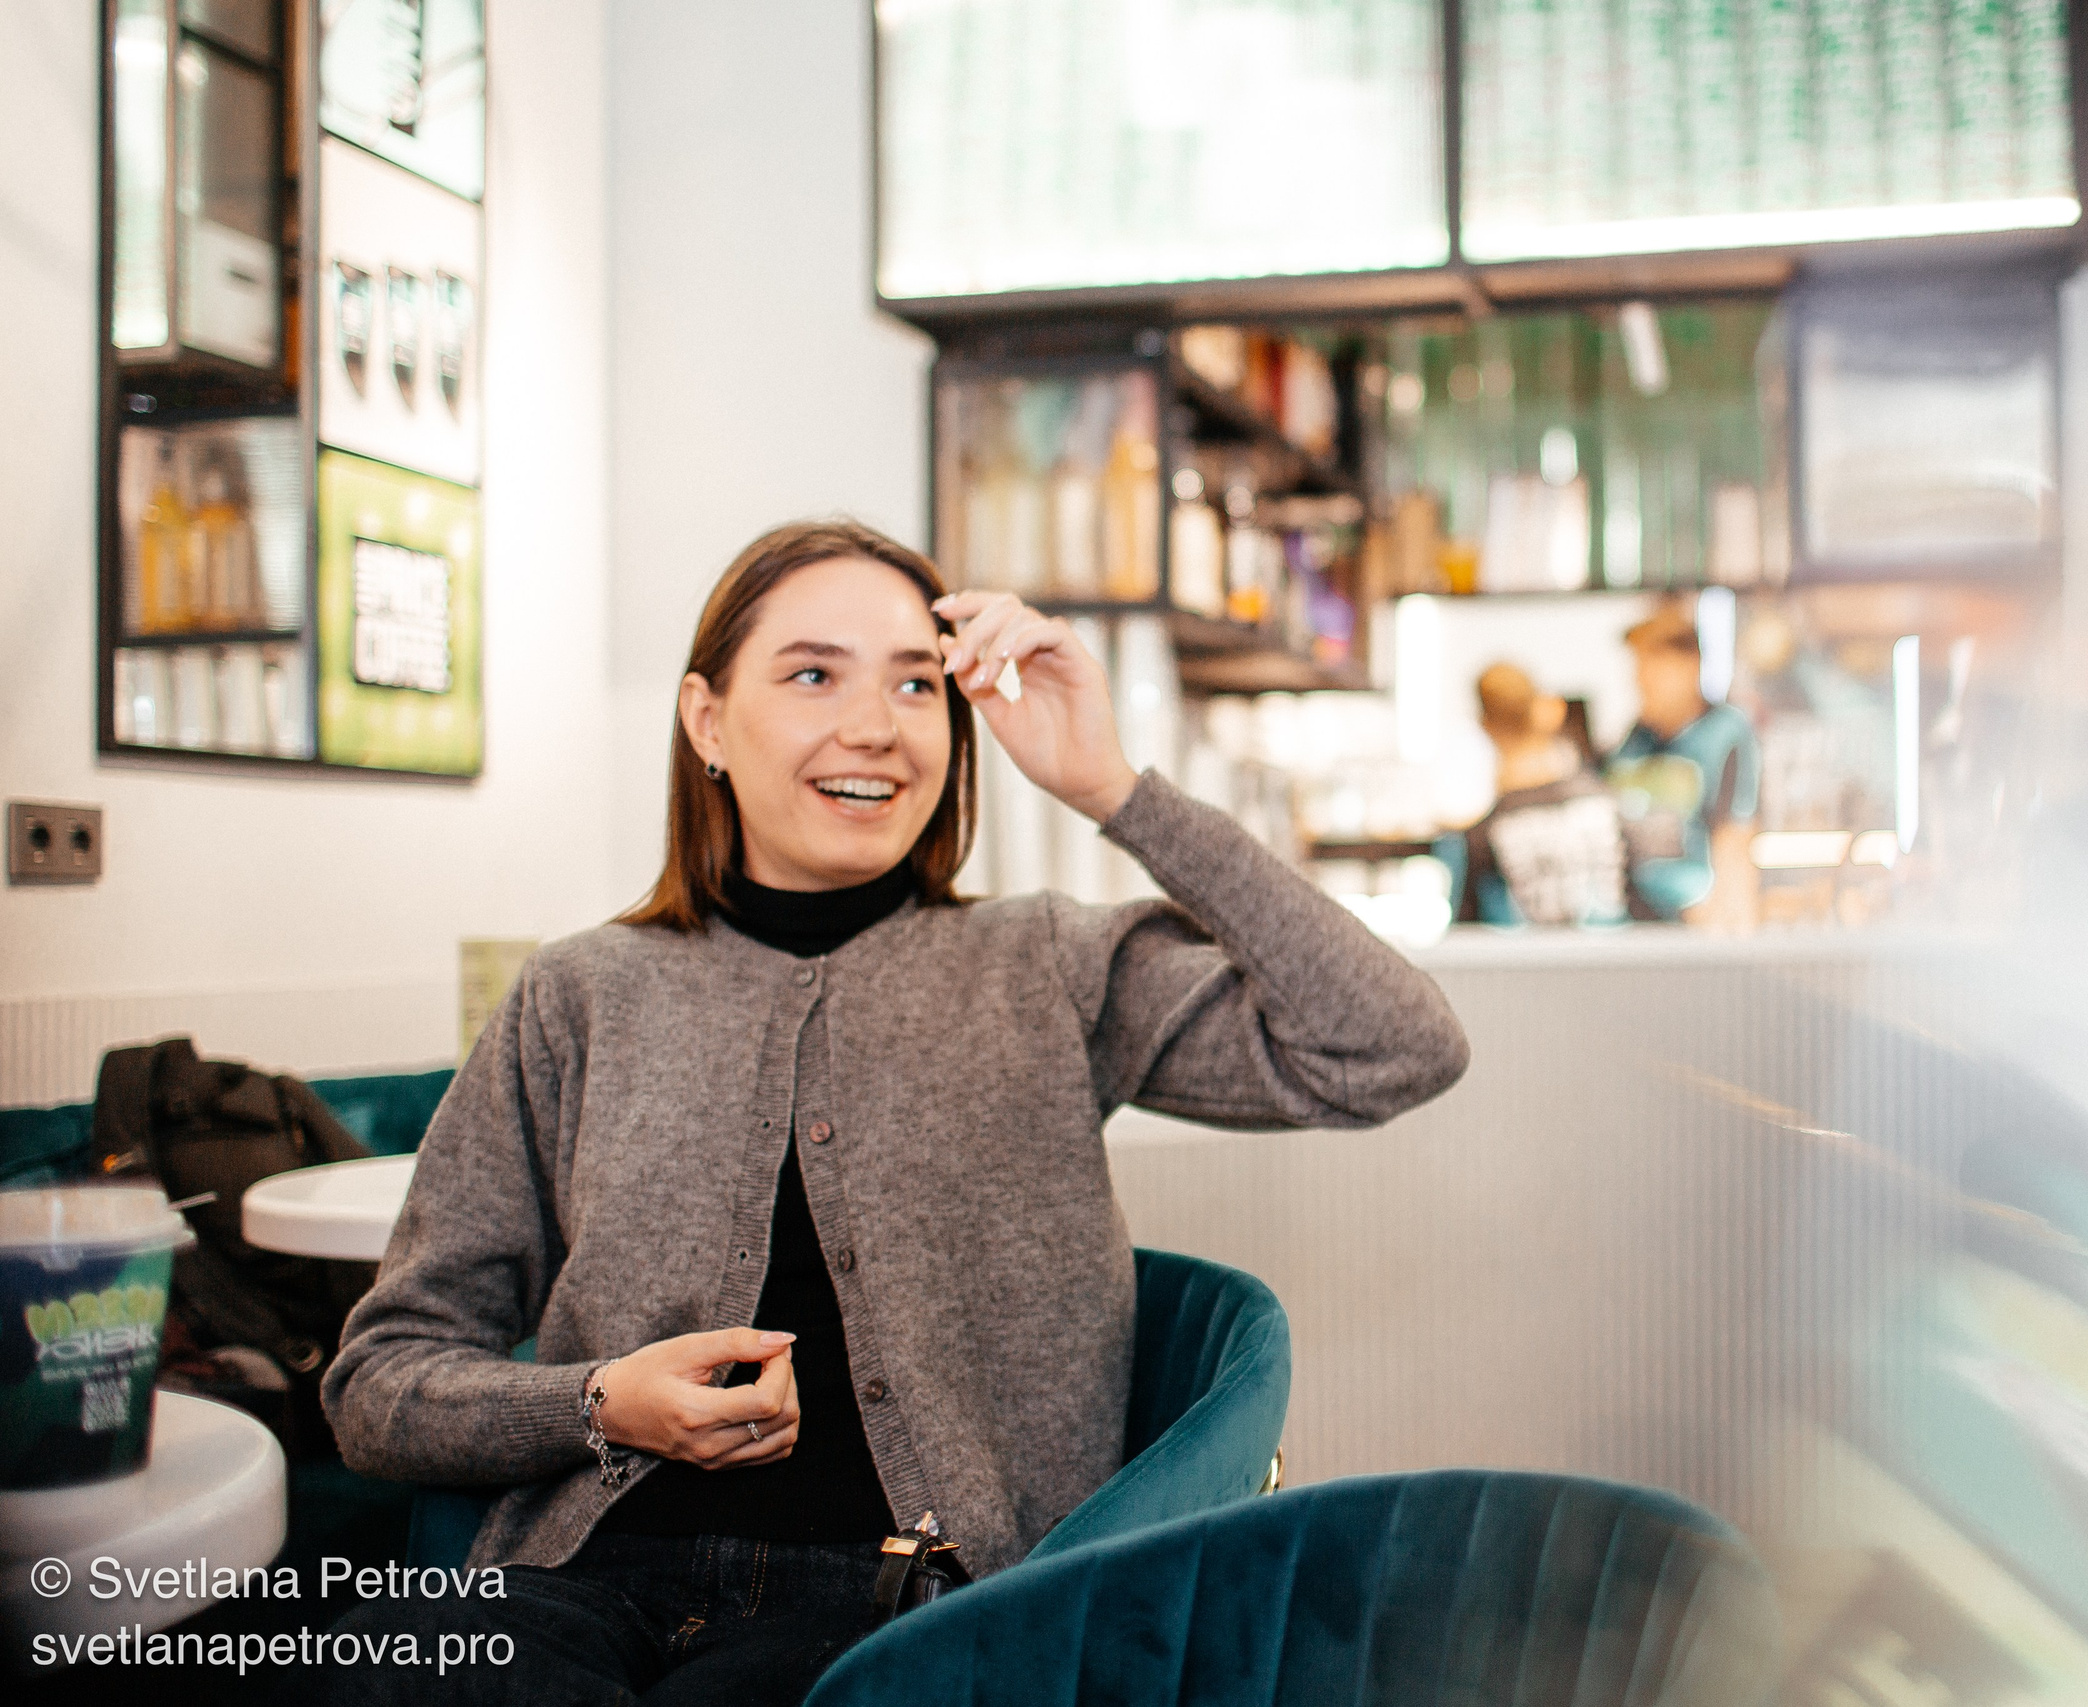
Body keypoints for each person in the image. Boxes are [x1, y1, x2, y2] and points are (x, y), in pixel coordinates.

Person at [318, 518, 1469, 1706]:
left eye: (917, 683)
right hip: (571, 1586)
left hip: (896, 1618)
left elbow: (1393, 1047)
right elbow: (380, 1383)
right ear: (707, 720)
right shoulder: (581, 993)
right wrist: (601, 1404)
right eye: (813, 673)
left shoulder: (1047, 966)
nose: (873, 725)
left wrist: (1114, 791)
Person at [1607, 603, 1761, 930]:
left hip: (1695, 928)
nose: (1639, 682)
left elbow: (1734, 837)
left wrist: (1731, 925)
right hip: (1632, 929)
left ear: (1690, 666)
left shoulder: (1725, 732)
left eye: (1651, 670)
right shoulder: (1635, 740)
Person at [1453, 662, 1627, 926]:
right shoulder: (1607, 803)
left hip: (1530, 964)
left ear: (1485, 725)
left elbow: (1467, 936)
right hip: (1619, 961)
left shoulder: (1484, 834)